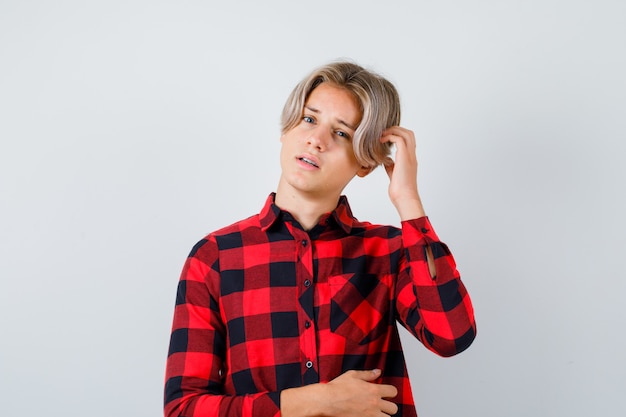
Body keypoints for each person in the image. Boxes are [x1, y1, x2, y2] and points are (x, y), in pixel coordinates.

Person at [164, 61, 476, 417]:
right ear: (286, 130)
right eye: (309, 119)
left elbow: (451, 336)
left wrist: (408, 201)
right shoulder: (215, 257)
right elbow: (184, 409)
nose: (317, 140)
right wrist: (313, 402)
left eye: (342, 133)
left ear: (365, 164)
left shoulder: (389, 251)